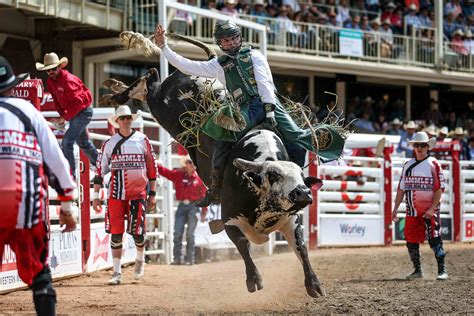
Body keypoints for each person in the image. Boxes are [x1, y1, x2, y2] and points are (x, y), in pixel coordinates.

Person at [154, 21, 345, 207]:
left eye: (233, 39)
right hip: (243, 108)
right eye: (226, 41)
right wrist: (164, 47)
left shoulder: (254, 55)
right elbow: (188, 66)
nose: (230, 43)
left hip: (266, 103)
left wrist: (269, 110)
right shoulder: (219, 65)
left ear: (240, 38)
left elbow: (265, 83)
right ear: (220, 43)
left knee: (297, 136)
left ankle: (301, 178)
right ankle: (215, 188)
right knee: (222, 136)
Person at [0, 56, 77, 315]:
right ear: (13, 86)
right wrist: (67, 202)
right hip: (27, 200)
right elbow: (54, 158)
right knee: (39, 272)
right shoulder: (29, 112)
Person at [92, 105, 157, 285]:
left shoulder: (142, 140)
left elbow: (152, 168)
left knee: (137, 232)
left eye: (128, 117)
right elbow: (100, 170)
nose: (126, 120)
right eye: (123, 118)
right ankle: (116, 272)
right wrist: (96, 195)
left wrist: (152, 193)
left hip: (138, 193)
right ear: (117, 122)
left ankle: (140, 259)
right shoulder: (109, 143)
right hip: (115, 193)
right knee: (116, 233)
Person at [391, 132, 448, 280]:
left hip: (430, 209)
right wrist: (395, 208)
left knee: (435, 238)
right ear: (413, 147)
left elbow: (439, 188)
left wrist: (432, 208)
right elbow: (401, 189)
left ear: (428, 146)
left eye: (422, 145)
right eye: (417, 145)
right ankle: (417, 270)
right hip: (412, 210)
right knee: (411, 239)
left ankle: (442, 270)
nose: (420, 148)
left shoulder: (434, 164)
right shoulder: (407, 165)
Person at [36, 52, 98, 177]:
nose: (51, 72)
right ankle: (102, 166)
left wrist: (64, 117)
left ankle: (70, 175)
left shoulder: (68, 80)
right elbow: (57, 102)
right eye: (48, 70)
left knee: (67, 142)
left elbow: (79, 102)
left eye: (53, 68)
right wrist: (63, 115)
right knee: (83, 143)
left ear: (59, 67)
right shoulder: (51, 82)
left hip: (83, 112)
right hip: (77, 113)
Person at [157, 155, 208, 265]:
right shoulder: (178, 175)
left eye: (193, 162)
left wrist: (204, 212)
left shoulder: (199, 180)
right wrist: (154, 164)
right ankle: (177, 258)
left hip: (194, 206)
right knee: (178, 232)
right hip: (182, 205)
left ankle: (190, 259)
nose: (191, 164)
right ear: (186, 164)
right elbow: (165, 172)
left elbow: (204, 197)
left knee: (190, 234)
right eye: (190, 162)